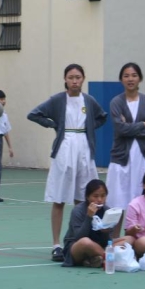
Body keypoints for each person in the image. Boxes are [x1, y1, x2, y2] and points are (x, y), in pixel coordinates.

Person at [27, 64, 107, 262]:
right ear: (65, 79)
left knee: (84, 197)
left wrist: (89, 127)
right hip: (65, 148)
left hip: (84, 148)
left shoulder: (89, 100)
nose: (74, 81)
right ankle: (56, 244)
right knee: (60, 198)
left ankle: (80, 240)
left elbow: (102, 117)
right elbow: (34, 114)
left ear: (83, 79)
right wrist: (53, 124)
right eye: (71, 77)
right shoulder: (57, 100)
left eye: (78, 77)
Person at [106, 62, 145, 209]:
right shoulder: (116, 102)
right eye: (126, 76)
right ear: (121, 79)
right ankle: (117, 226)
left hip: (143, 157)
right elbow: (120, 129)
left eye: (134, 75)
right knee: (117, 203)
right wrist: (142, 124)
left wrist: (128, 127)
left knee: (143, 201)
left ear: (140, 78)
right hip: (121, 157)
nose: (130, 79)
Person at [61, 180, 128, 267]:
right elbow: (78, 237)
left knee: (128, 239)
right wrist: (89, 217)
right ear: (87, 197)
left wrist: (105, 232)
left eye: (103, 196)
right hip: (76, 247)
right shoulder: (78, 210)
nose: (99, 200)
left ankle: (93, 259)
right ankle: (110, 259)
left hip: (99, 245)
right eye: (95, 196)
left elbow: (107, 242)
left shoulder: (107, 211)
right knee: (85, 242)